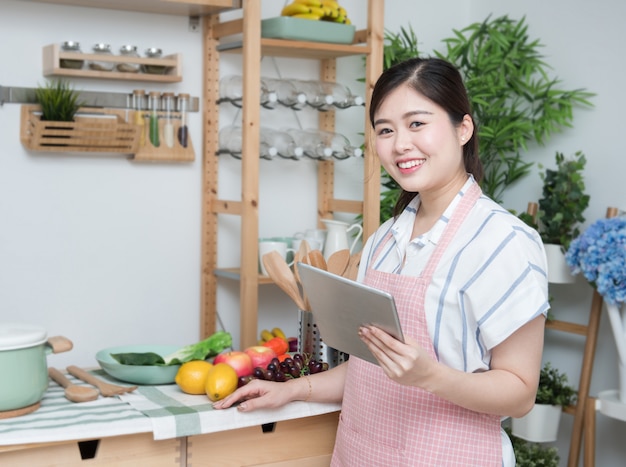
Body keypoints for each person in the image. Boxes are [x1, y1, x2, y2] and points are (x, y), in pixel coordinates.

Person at [213, 57, 549, 466]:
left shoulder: (503, 242)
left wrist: (429, 376)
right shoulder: (384, 241)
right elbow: (370, 368)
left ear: (463, 129)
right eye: (385, 130)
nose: (400, 144)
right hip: (362, 454)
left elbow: (520, 392)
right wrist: (294, 390)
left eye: (417, 124)